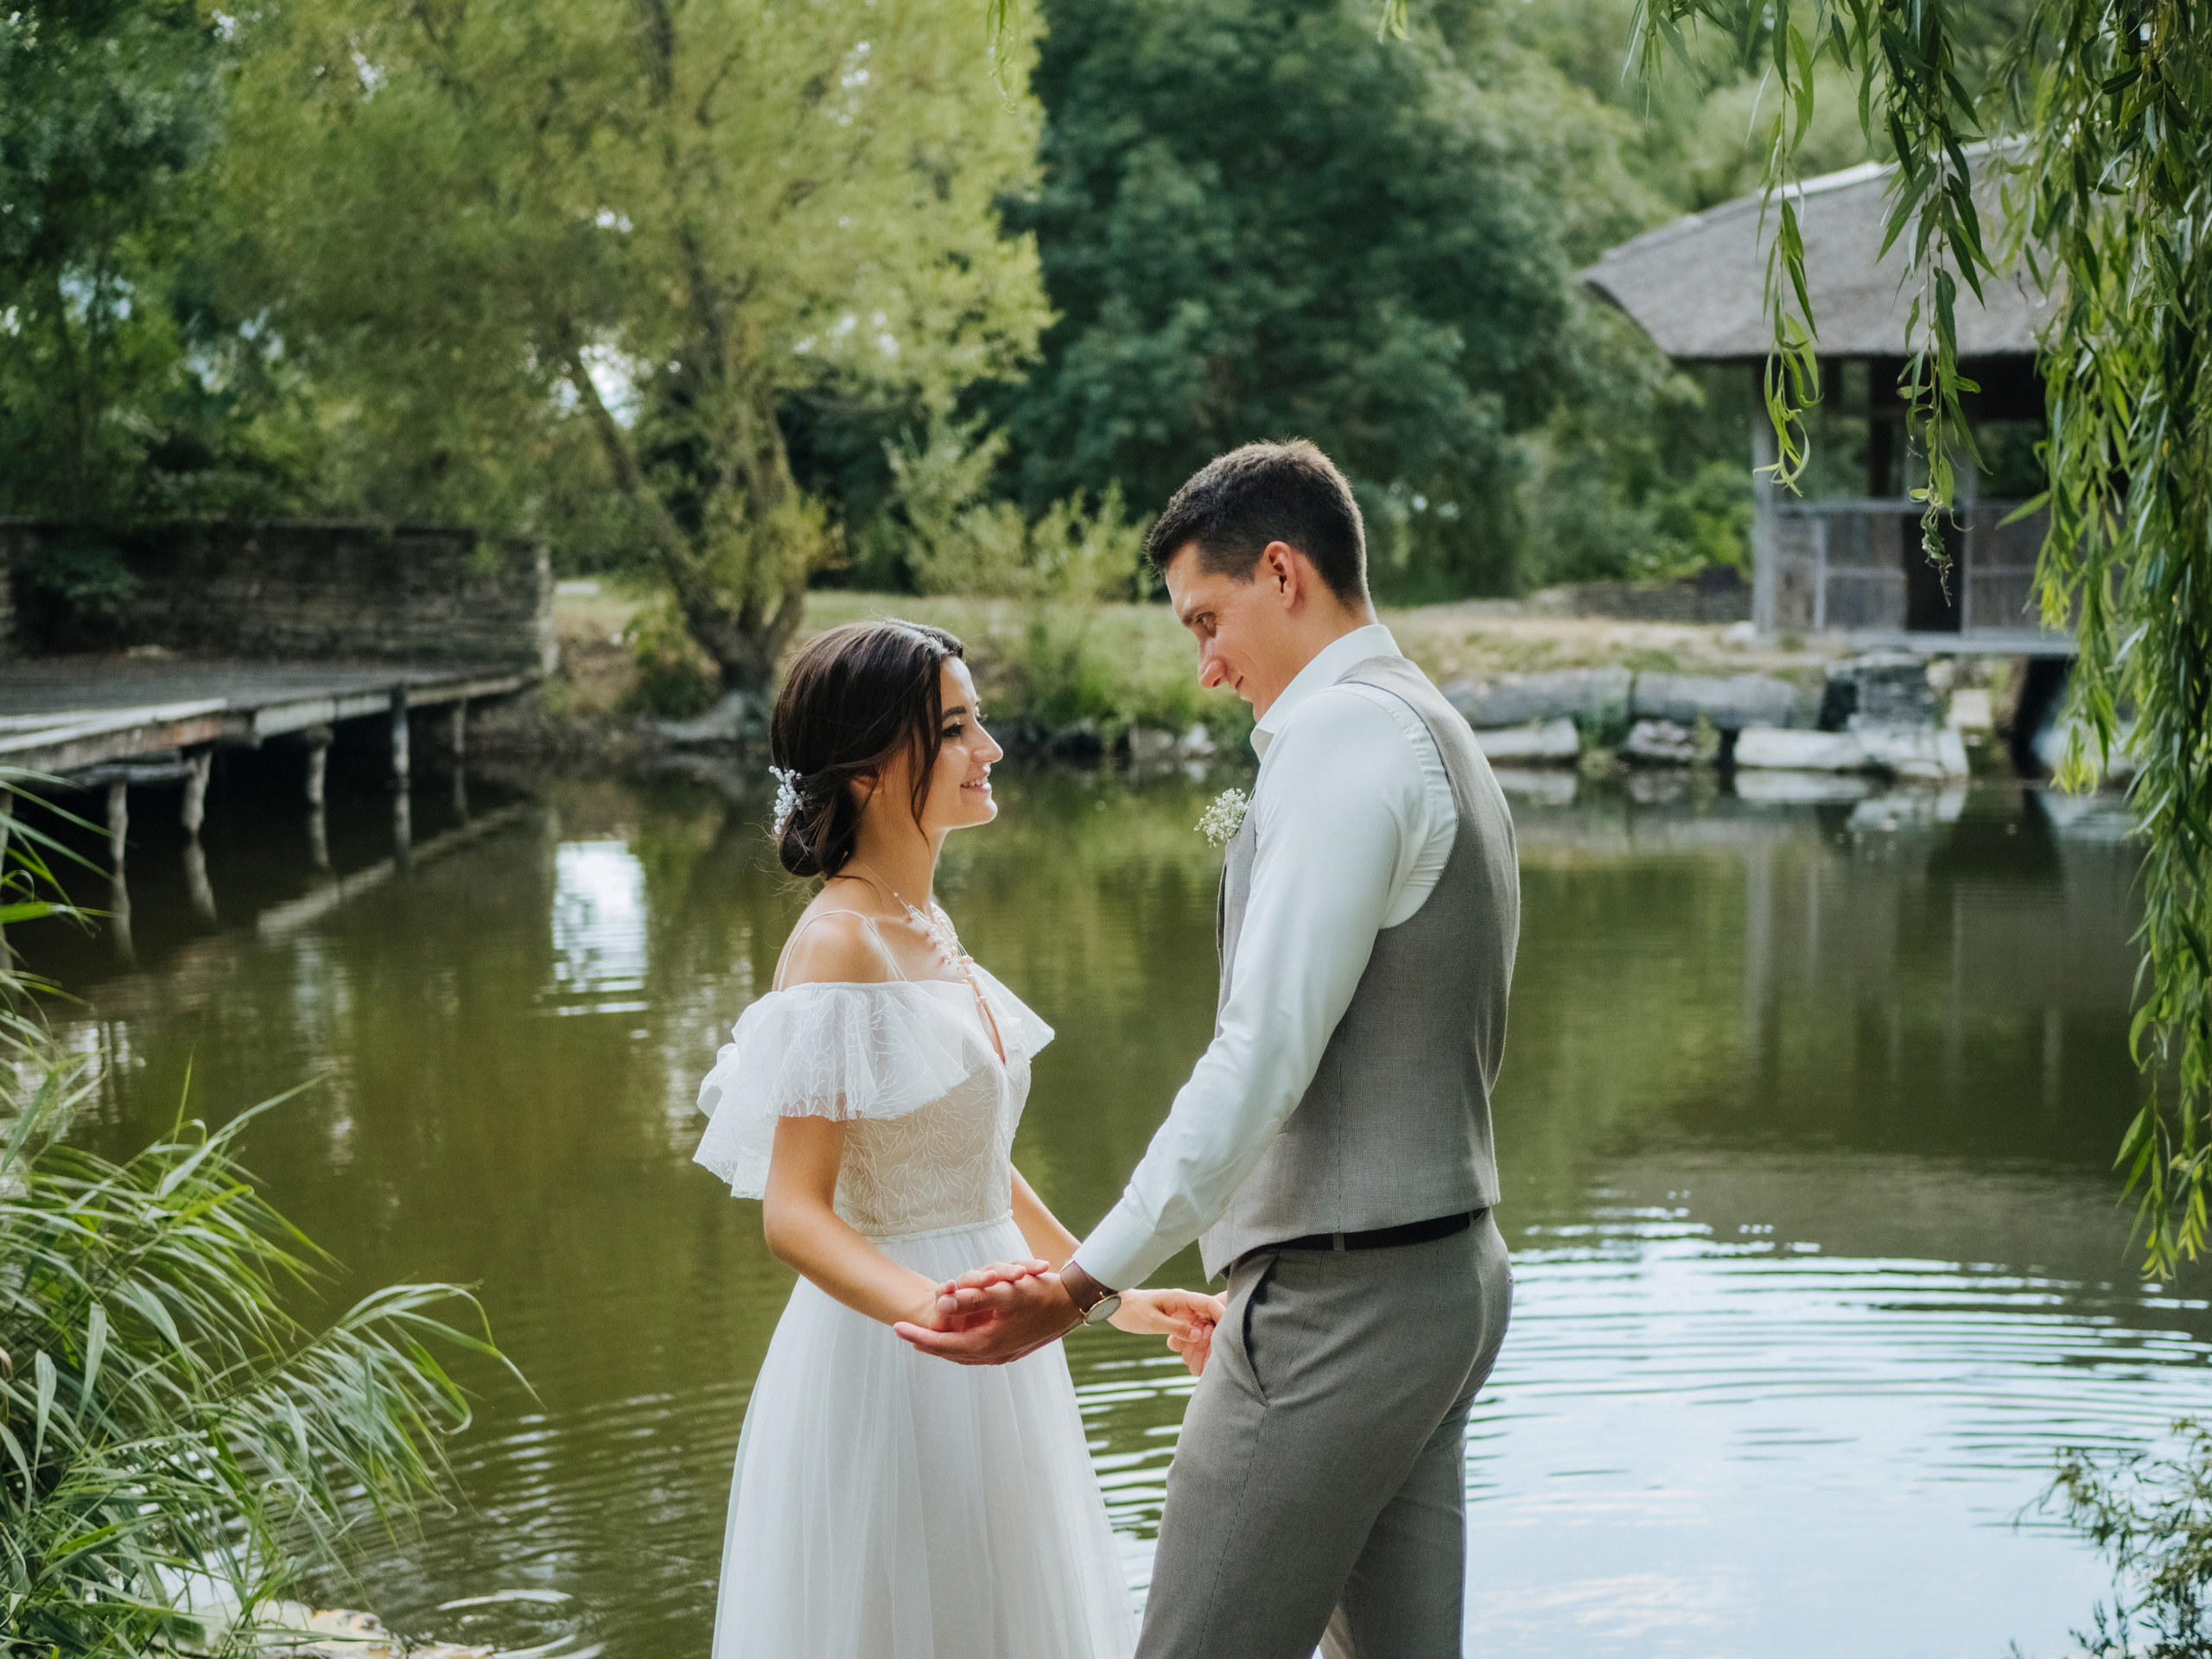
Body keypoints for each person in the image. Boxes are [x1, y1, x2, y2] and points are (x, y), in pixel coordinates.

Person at [899, 441, 1521, 1659]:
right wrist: (1243, 1275)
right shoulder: (1429, 724)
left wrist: (1082, 1282)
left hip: (1342, 1306)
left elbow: (1262, 1055)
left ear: (1282, 571)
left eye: (1206, 618)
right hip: (1440, 1277)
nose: (1204, 667)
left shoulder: (1346, 739)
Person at [692, 618, 1224, 1659]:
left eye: (975, 721)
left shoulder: (926, 925)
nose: (988, 749)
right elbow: (794, 1216)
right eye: (954, 728)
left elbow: (968, 1163)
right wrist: (944, 1316)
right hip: (896, 1359)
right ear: (868, 768)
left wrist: (1104, 1292)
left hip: (999, 1331)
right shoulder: (840, 941)